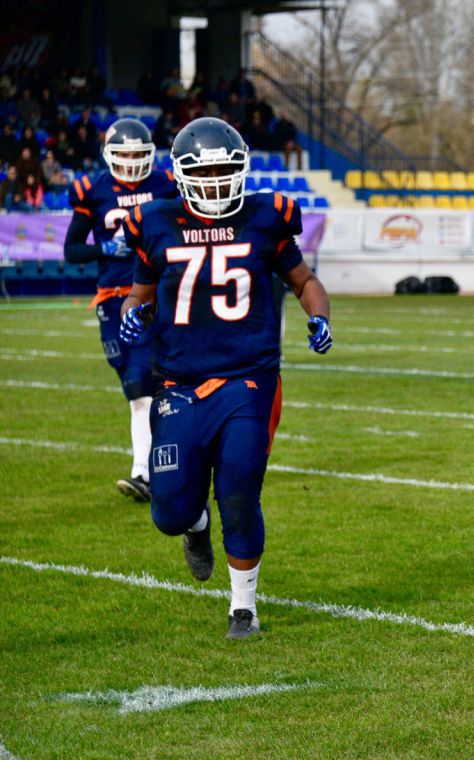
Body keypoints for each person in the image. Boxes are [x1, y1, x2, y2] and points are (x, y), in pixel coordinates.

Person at [117, 117, 334, 639]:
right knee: (169, 512)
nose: (215, 181)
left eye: (224, 169)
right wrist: (130, 311)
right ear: (182, 174)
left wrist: (319, 314)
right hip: (179, 383)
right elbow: (140, 291)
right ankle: (195, 526)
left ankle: (244, 608)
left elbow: (303, 279)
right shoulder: (155, 221)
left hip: (249, 377)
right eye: (204, 170)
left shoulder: (266, 215)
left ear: (241, 170)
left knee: (239, 488)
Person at [64, 118, 180, 501]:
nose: (131, 161)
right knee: (136, 392)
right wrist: (104, 248)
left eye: (138, 154)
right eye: (124, 153)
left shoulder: (164, 184)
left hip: (150, 292)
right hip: (111, 297)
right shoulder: (93, 190)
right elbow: (72, 250)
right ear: (110, 155)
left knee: (141, 386)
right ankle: (157, 466)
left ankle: (144, 473)